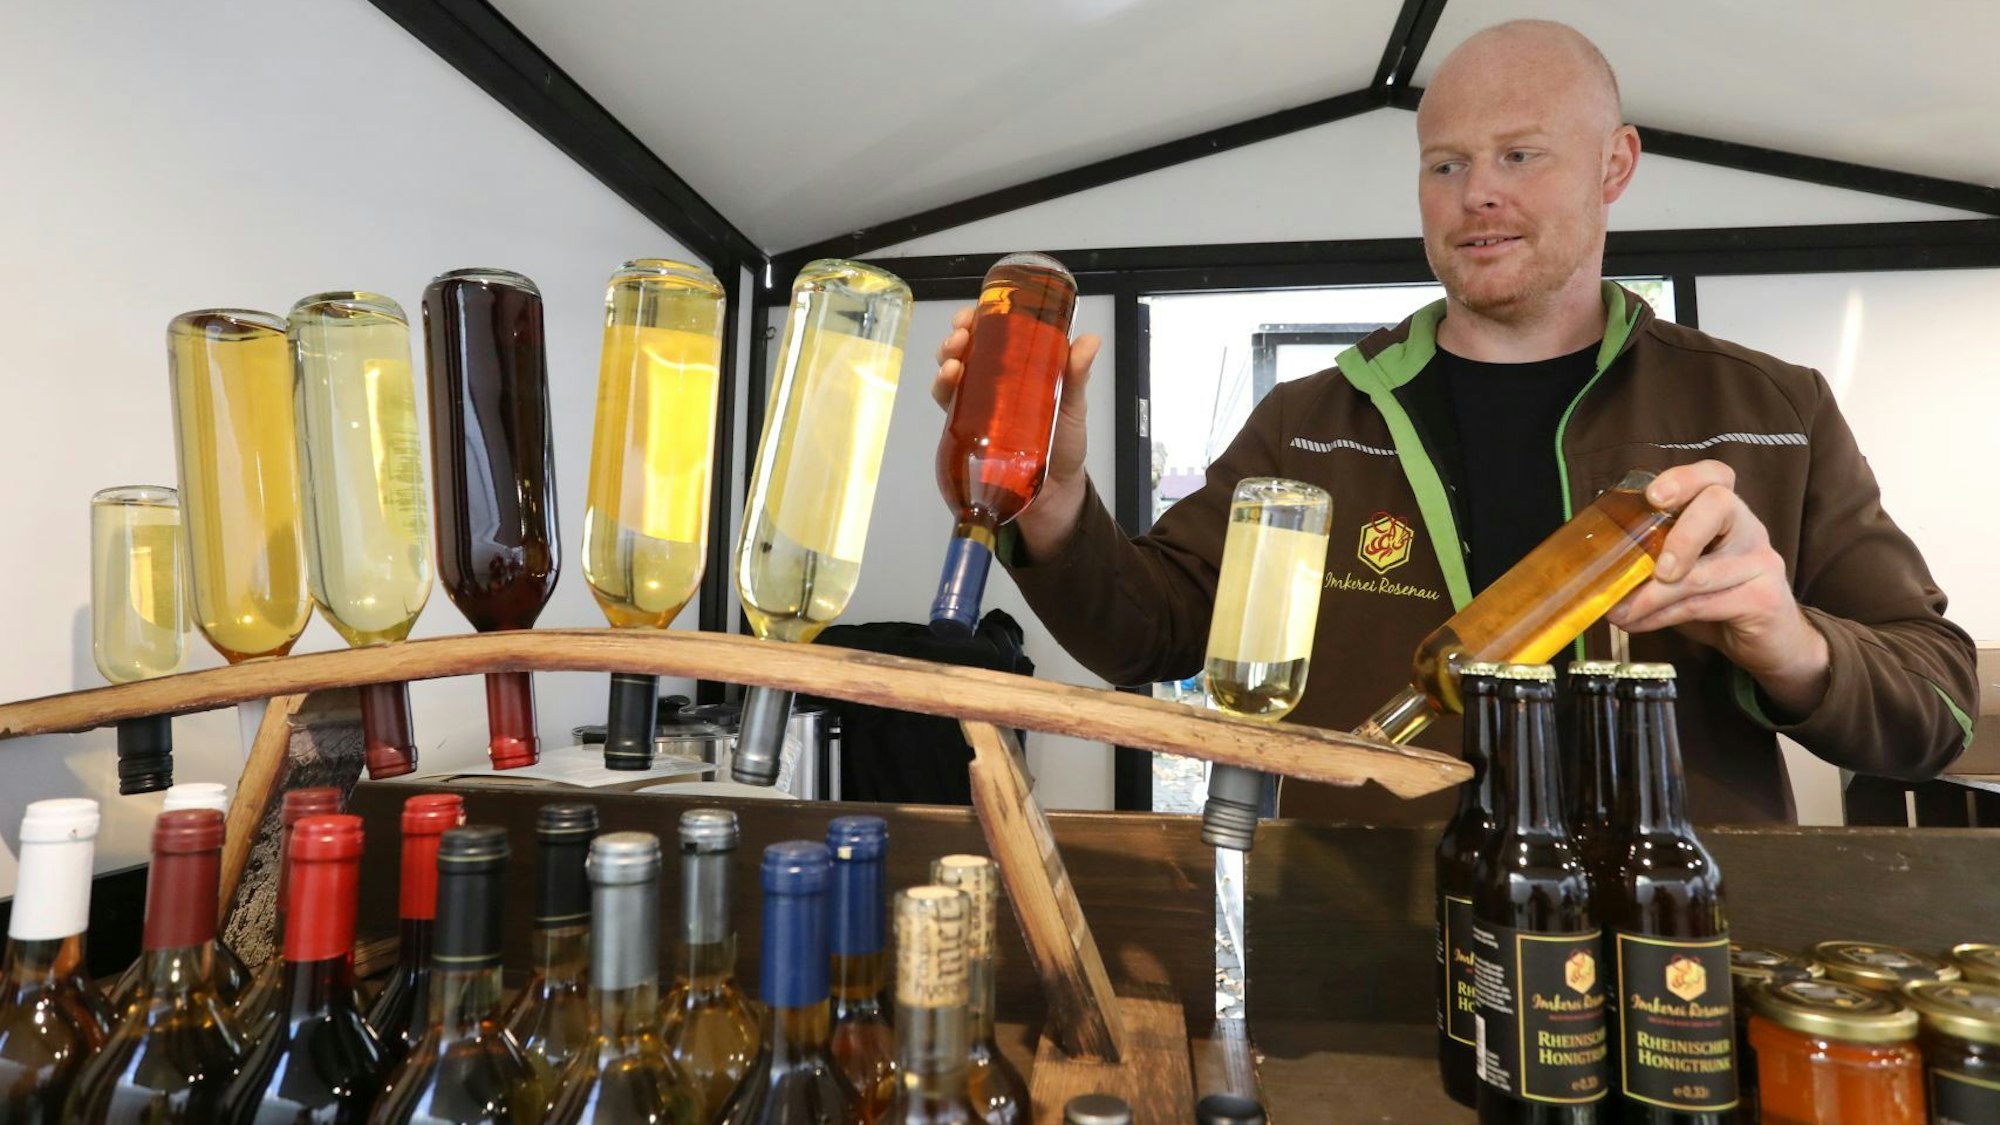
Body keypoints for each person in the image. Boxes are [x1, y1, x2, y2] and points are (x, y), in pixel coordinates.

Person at [929, 19, 1978, 825]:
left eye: (1519, 155)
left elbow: (1935, 710)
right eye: (1445, 163)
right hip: (1358, 959)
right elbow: (1149, 631)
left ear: (1613, 164)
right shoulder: (1309, 419)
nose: (1476, 194)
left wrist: (1787, 641)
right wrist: (1058, 503)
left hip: (1674, 965)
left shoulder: (1768, 413)